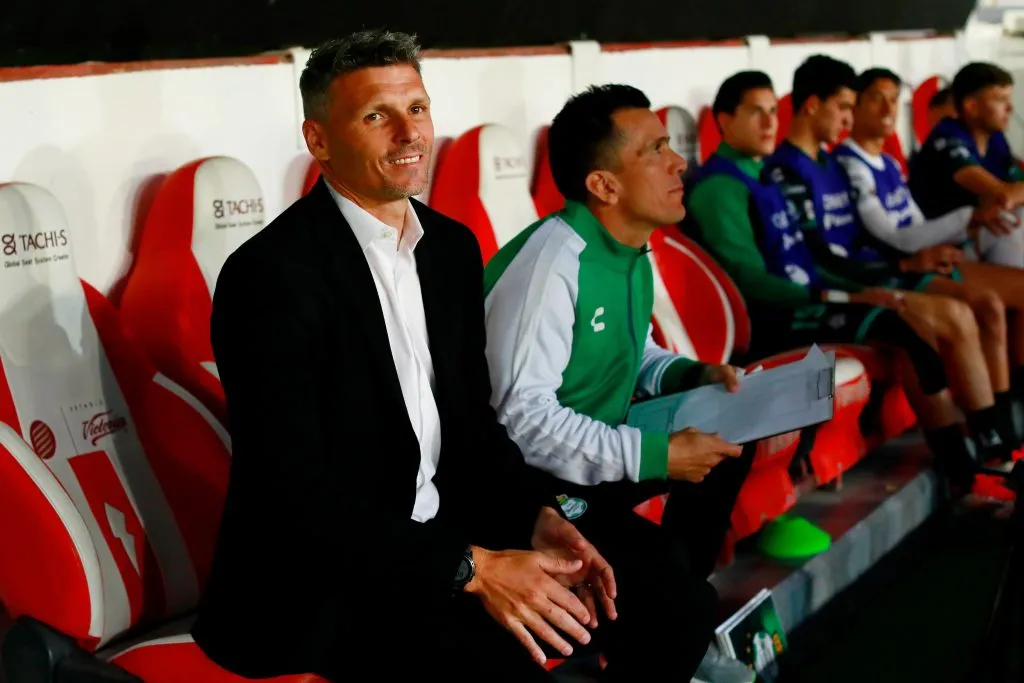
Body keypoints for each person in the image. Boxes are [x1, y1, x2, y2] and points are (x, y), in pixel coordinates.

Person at [191, 30, 618, 682]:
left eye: (417, 109)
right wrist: (473, 567)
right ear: (319, 141)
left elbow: (472, 428)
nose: (408, 133)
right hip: (323, 582)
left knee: (650, 588)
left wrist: (537, 517)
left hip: (438, 547)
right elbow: (295, 493)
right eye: (376, 116)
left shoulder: (450, 248)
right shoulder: (271, 275)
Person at [483, 83, 757, 682]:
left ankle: (656, 630)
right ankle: (669, 624)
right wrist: (657, 454)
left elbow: (629, 357)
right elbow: (521, 422)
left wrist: (692, 374)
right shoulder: (553, 266)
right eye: (656, 149)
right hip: (531, 482)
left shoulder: (630, 248)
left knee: (728, 441)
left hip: (591, 447)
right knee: (685, 608)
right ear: (603, 186)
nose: (679, 161)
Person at [684, 70, 1006, 498]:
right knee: (909, 330)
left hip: (810, 299)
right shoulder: (721, 186)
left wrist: (855, 291)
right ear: (723, 120)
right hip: (780, 316)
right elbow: (749, 281)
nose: (768, 123)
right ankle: (971, 472)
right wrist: (838, 294)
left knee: (912, 328)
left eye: (770, 112)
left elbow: (810, 259)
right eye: (754, 113)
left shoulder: (760, 173)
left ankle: (976, 463)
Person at [762, 55, 1021, 467]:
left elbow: (870, 234)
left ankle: (997, 443)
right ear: (813, 105)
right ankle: (977, 461)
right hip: (846, 286)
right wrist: (896, 271)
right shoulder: (787, 172)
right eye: (846, 106)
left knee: (972, 310)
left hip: (877, 271)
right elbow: (819, 256)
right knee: (938, 323)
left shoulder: (830, 164)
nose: (848, 118)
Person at [837, 67, 1024, 446]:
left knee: (994, 303)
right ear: (853, 107)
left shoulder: (888, 163)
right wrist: (968, 217)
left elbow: (918, 224)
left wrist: (964, 228)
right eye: (878, 98)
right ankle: (994, 436)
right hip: (893, 271)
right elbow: (894, 237)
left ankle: (1006, 426)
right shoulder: (848, 163)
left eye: (895, 99)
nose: (890, 108)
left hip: (932, 258)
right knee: (979, 307)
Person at [909, 61, 1024, 268]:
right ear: (971, 106)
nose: (1010, 108)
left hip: (977, 238)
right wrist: (1011, 195)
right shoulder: (947, 136)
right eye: (1000, 100)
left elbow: (1016, 190)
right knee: (1016, 217)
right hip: (937, 248)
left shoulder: (995, 138)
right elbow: (1003, 194)